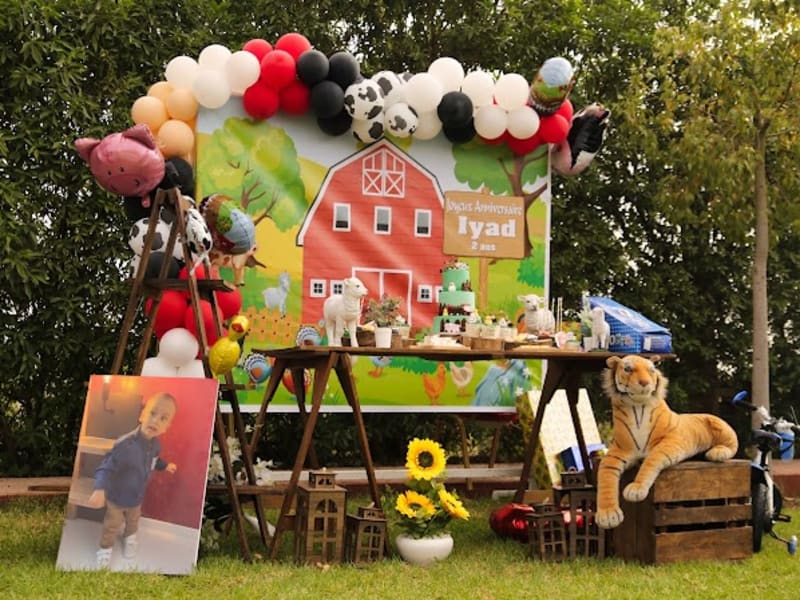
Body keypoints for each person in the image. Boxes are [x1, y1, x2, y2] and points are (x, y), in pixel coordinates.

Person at [86, 392, 178, 568]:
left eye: (163, 418)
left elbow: (154, 460)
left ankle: (129, 537)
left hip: (136, 497)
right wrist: (100, 489)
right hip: (117, 497)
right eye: (152, 413)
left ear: (167, 427)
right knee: (112, 524)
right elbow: (107, 466)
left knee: (133, 521)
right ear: (142, 415)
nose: (156, 421)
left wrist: (165, 466)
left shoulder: (155, 445)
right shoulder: (125, 444)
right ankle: (105, 548)